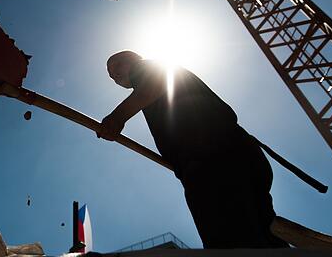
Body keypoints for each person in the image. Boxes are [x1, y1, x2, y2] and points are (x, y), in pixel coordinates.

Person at [97, 50, 287, 249]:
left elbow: (156, 83)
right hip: (237, 154)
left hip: (213, 161)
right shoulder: (162, 78)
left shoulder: (146, 69)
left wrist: (117, 118)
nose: (114, 75)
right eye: (111, 75)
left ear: (134, 59)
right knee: (264, 236)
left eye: (117, 65)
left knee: (231, 242)